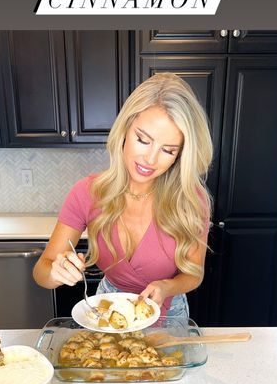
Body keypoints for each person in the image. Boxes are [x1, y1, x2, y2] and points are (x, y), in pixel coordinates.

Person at [33, 72, 213, 318]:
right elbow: (41, 272)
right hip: (110, 309)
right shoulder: (86, 193)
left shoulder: (191, 200)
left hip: (168, 313)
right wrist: (55, 272)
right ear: (125, 129)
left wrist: (168, 286)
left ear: (181, 155)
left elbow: (195, 273)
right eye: (142, 139)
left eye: (168, 151)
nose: (150, 160)